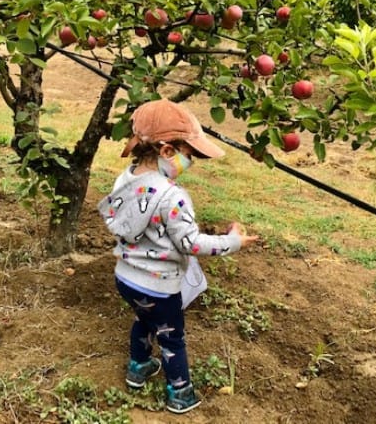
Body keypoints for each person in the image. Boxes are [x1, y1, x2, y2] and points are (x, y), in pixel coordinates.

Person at [98, 98, 257, 414]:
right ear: (167, 151)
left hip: (126, 279)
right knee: (172, 338)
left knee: (143, 320)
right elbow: (191, 244)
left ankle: (138, 368)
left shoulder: (126, 179)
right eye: (189, 155)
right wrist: (233, 241)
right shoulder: (172, 197)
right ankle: (180, 393)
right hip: (159, 287)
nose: (191, 162)